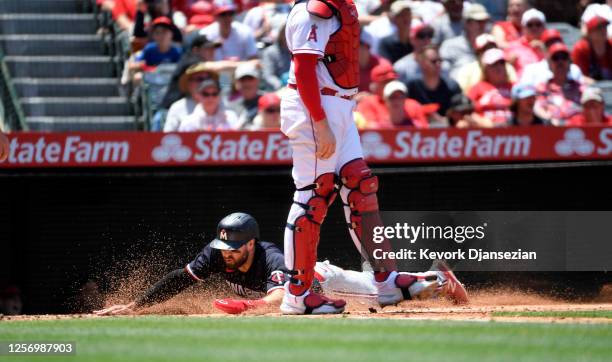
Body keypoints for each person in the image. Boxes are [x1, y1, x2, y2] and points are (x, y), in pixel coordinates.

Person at [280, 0, 467, 315]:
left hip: (340, 106)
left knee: (360, 185)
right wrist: (321, 122)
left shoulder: (342, 6)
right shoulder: (312, 9)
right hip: (315, 108)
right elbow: (304, 67)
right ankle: (297, 295)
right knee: (313, 197)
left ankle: (386, 280)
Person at [94, 213, 467, 315]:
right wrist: (136, 304)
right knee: (381, 293)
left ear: (251, 243)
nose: (228, 252)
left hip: (320, 279)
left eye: (236, 246)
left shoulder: (271, 256)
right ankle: (426, 278)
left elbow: (281, 297)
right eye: (224, 245)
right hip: (312, 281)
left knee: (388, 294)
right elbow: (181, 278)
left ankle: (435, 278)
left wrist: (246, 306)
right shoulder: (217, 253)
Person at [407, 45, 462, 119]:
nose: (438, 64)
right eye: (433, 61)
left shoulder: (452, 86)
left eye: (440, 60)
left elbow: (460, 114)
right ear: (422, 63)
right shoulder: (412, 86)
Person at [534, 43, 583, 126]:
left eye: (564, 58)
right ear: (549, 63)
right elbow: (538, 108)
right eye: (555, 58)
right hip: (551, 130)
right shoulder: (543, 87)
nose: (560, 62)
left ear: (569, 62)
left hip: (577, 128)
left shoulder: (580, 87)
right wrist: (548, 118)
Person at [453, 34, 518, 93]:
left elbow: (514, 86)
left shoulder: (507, 66)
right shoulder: (467, 70)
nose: (490, 51)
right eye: (485, 49)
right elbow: (466, 95)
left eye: (492, 47)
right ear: (477, 52)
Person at [439, 4, 490, 80]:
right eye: (478, 21)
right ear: (466, 23)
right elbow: (443, 72)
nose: (482, 25)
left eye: (484, 21)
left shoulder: (491, 45)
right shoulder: (450, 46)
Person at [519, 30, 585, 88]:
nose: (553, 46)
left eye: (556, 42)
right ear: (542, 47)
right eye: (549, 44)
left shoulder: (574, 69)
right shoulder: (531, 69)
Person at [163, 63, 218, 132]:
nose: (204, 82)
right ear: (189, 84)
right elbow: (168, 136)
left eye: (207, 79)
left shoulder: (220, 103)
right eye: (199, 79)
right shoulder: (177, 107)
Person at [467, 48, 514, 126]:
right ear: (485, 69)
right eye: (494, 64)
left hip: (515, 132)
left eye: (502, 63)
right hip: (486, 132)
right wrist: (482, 122)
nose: (499, 67)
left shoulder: (514, 87)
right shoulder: (477, 88)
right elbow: (467, 113)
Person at [504, 8, 547, 77]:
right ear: (523, 27)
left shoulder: (550, 46)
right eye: (530, 25)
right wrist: (509, 64)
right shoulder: (513, 46)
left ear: (544, 27)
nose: (534, 28)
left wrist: (545, 51)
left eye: (538, 24)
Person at [393, 19, 436, 84]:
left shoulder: (439, 64)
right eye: (421, 36)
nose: (427, 40)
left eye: (429, 35)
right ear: (412, 40)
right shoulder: (400, 67)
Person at [571, 14, 612, 80]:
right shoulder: (581, 48)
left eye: (605, 27)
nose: (603, 31)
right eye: (599, 28)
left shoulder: (610, 44)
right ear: (589, 33)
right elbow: (579, 76)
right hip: (590, 88)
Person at [227, 63, 264, 129]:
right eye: (243, 79)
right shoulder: (231, 107)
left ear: (258, 81)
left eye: (250, 78)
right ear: (236, 83)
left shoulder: (269, 102)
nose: (247, 83)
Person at [261, 23, 291, 91]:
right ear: (281, 34)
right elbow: (268, 76)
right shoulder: (270, 52)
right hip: (277, 90)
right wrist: (281, 87)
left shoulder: (299, 52)